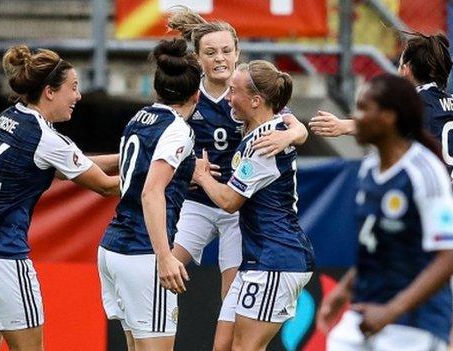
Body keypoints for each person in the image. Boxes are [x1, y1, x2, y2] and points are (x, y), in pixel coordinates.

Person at [0, 45, 119, 351]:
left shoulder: (10, 116)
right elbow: (106, 187)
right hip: (0, 255)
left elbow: (70, 165)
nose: (78, 96)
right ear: (49, 92)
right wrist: (162, 176)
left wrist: (129, 156)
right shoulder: (46, 138)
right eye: (73, 88)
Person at [310, 32, 453, 349]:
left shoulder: (416, 115)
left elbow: (392, 122)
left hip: (432, 229)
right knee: (448, 333)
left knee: (426, 330)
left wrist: (344, 125)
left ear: (407, 68)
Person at [166, 8, 308, 349]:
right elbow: (164, 149)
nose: (220, 59)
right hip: (200, 202)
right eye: (211, 53)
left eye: (227, 51)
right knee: (165, 266)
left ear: (238, 52)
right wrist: (186, 178)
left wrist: (292, 135)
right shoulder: (190, 96)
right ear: (197, 59)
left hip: (237, 209)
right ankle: (154, 331)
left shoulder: (250, 91)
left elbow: (293, 126)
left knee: (233, 296)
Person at [192, 60, 314, 351]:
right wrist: (296, 131)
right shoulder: (269, 124)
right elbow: (295, 126)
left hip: (276, 259)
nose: (229, 97)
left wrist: (200, 175)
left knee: (245, 348)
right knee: (223, 345)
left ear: (256, 100)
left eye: (234, 91)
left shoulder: (266, 143)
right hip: (257, 259)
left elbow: (230, 201)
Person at [98, 38, 200, 351]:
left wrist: (184, 176)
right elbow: (151, 191)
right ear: (196, 94)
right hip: (142, 252)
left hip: (113, 247)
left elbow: (144, 171)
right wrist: (165, 257)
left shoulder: (139, 118)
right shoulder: (178, 130)